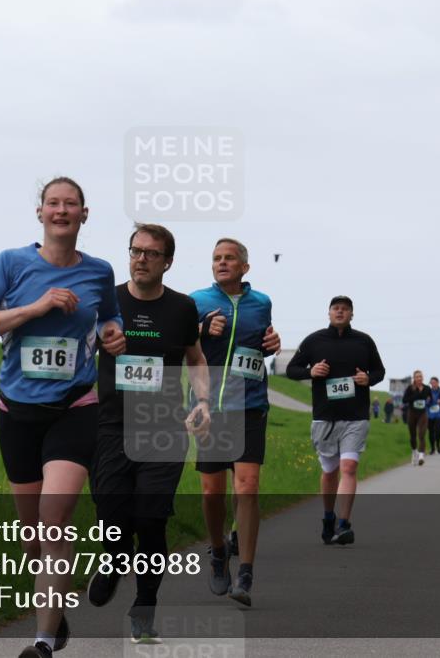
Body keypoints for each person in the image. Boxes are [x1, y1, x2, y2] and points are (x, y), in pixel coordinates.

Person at [0, 177, 126, 658]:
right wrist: (37, 306)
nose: (61, 210)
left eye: (70, 204)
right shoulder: (11, 264)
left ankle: (42, 642)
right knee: (32, 535)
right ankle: (55, 612)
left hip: (74, 407)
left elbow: (109, 318)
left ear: (84, 215)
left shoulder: (98, 271)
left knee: (55, 523)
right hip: (16, 410)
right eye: (53, 203)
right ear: (40, 213)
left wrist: (114, 335)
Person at [88, 224, 212, 644]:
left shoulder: (181, 308)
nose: (141, 259)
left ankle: (144, 609)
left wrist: (202, 401)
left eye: (151, 253)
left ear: (167, 261)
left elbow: (195, 359)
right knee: (111, 514)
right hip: (110, 426)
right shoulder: (109, 302)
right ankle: (114, 559)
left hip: (164, 428)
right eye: (135, 251)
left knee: (150, 519)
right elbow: (80, 349)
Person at [191, 238, 281, 607]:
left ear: (245, 267)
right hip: (210, 408)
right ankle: (217, 551)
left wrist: (273, 342)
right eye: (216, 258)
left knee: (247, 487)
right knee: (212, 492)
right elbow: (180, 345)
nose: (222, 263)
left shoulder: (262, 302)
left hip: (250, 405)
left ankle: (245, 573)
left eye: (229, 258)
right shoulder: (197, 300)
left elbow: (262, 343)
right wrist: (199, 330)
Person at [286, 295, 385, 546]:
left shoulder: (364, 341)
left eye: (345, 309)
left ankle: (344, 524)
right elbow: (291, 370)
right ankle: (328, 517)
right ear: (329, 313)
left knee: (348, 467)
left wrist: (368, 379)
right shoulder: (314, 341)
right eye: (336, 308)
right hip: (325, 418)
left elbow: (380, 371)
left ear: (352, 314)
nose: (340, 312)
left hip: (356, 416)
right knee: (329, 471)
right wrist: (311, 372)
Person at [403, 371, 432, 466]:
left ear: (423, 378)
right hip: (412, 413)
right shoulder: (410, 388)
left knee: (422, 434)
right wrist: (416, 395)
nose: (419, 378)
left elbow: (431, 399)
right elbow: (405, 400)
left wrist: (429, 400)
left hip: (422, 414)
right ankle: (414, 452)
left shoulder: (427, 388)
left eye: (420, 376)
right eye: (417, 377)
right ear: (414, 378)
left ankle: (421, 456)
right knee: (413, 435)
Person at [427, 376, 440, 455]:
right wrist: (427, 401)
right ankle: (432, 447)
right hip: (430, 414)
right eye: (431, 383)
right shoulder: (428, 391)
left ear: (437, 383)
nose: (433, 384)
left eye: (434, 382)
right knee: (431, 432)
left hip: (438, 414)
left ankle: (438, 445)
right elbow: (425, 402)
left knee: (438, 431)